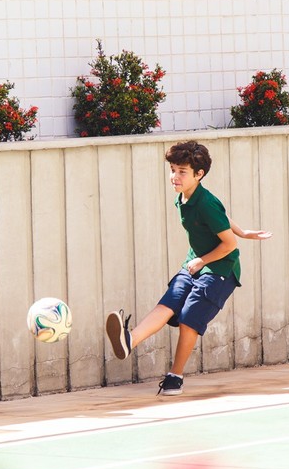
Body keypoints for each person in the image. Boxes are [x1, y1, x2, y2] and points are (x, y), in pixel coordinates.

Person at [106, 140, 271, 396]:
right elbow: (222, 217)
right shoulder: (184, 198)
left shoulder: (205, 202)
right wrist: (243, 230)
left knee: (188, 318)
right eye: (172, 169)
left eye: (182, 171)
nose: (174, 176)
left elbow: (228, 244)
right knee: (169, 302)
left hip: (220, 270)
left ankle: (175, 377)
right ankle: (129, 341)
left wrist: (206, 258)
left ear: (199, 174)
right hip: (196, 262)